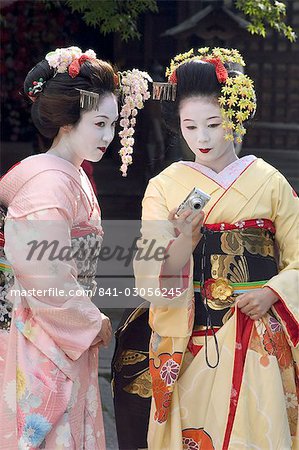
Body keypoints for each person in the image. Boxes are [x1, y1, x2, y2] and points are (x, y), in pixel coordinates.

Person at [133, 48, 299, 449]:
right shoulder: (163, 186)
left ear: (235, 117)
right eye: (190, 126)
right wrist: (185, 242)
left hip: (257, 333)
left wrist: (272, 292)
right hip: (192, 339)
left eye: (214, 123)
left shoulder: (269, 181)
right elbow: (146, 276)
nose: (202, 138)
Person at [0, 46, 150, 449]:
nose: (108, 136)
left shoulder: (70, 175)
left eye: (113, 125)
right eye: (98, 123)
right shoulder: (50, 184)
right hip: (43, 334)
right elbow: (43, 273)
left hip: (57, 332)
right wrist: (89, 321)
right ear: (68, 121)